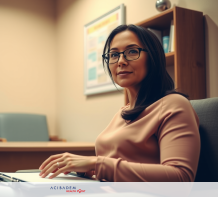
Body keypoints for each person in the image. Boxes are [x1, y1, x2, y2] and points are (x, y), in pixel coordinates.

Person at [38, 24, 200, 182]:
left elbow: (181, 178)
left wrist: (96, 163)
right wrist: (91, 170)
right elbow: (118, 167)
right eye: (114, 55)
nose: (120, 61)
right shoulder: (123, 112)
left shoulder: (174, 104)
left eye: (132, 52)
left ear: (153, 57)